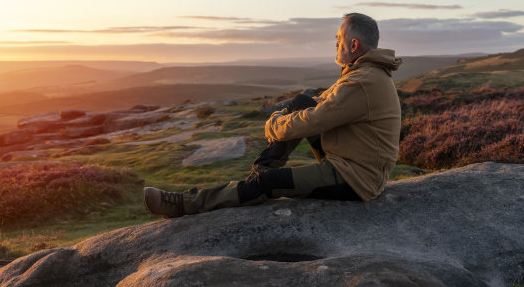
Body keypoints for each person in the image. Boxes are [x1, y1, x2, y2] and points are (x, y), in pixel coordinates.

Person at [143, 13, 402, 218]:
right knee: (301, 101)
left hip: (354, 178)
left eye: (338, 38)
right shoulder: (364, 73)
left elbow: (315, 119)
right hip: (349, 159)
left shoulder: (362, 81)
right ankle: (259, 173)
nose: (335, 43)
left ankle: (185, 204)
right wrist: (283, 118)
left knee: (269, 182)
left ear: (353, 44)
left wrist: (275, 125)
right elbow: (321, 105)